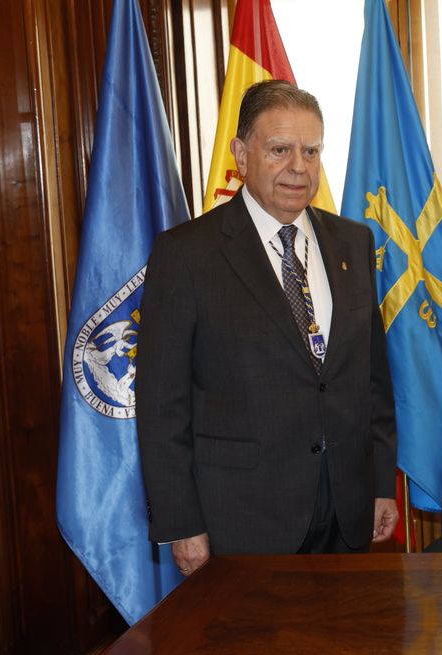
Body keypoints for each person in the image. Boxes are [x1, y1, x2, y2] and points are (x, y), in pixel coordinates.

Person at [137, 80, 397, 576]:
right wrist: (180, 522)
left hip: (346, 510)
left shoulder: (353, 243)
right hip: (242, 521)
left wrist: (381, 483)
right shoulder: (186, 254)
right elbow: (160, 406)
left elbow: (373, 382)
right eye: (279, 150)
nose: (298, 166)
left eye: (311, 150)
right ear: (241, 153)